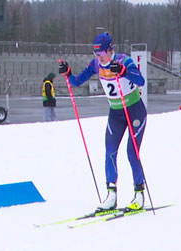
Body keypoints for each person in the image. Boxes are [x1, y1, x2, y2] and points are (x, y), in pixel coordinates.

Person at [59, 32, 147, 211]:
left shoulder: (124, 61)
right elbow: (77, 81)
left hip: (134, 111)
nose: (99, 58)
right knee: (110, 152)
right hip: (116, 113)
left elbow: (141, 80)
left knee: (132, 153)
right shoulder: (96, 65)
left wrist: (123, 72)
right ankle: (111, 195)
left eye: (101, 54)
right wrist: (68, 73)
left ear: (109, 50)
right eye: (96, 55)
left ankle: (139, 193)